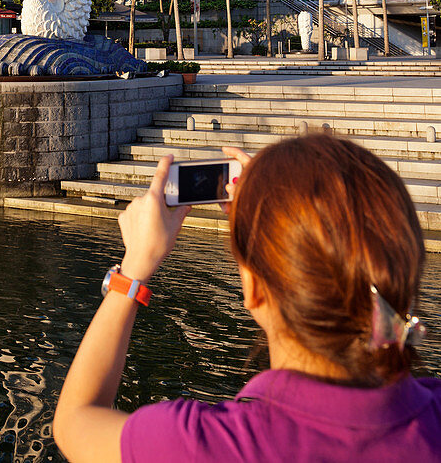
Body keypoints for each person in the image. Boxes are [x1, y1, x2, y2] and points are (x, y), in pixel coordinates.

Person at [53, 135, 441, 462]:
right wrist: (280, 207)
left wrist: (133, 269)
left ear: (255, 290)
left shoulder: (207, 445)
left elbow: (74, 421)